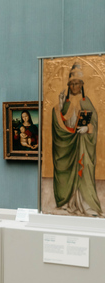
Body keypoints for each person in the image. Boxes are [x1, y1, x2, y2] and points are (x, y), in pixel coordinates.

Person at [52, 62, 102, 216]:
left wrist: (88, 128)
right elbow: (60, 122)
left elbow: (94, 121)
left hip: (83, 144)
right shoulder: (65, 103)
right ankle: (68, 203)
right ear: (69, 85)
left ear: (82, 85)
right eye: (72, 84)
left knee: (84, 170)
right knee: (67, 170)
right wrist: (59, 107)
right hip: (69, 144)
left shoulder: (87, 102)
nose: (75, 86)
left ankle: (86, 205)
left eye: (78, 83)